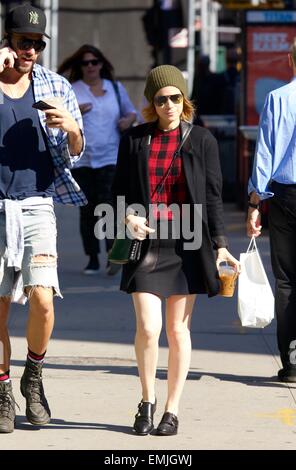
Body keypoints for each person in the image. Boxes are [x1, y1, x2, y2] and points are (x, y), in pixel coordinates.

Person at [112, 65, 240, 435]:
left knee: (177, 330)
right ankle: (147, 400)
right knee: (149, 329)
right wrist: (127, 218)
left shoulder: (202, 140)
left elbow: (213, 198)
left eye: (175, 97)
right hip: (147, 243)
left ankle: (172, 409)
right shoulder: (135, 140)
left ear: (184, 101)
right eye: (160, 99)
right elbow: (118, 190)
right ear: (152, 103)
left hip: (187, 246)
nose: (168, 104)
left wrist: (221, 246)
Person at [0, 3, 85, 433]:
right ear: (7, 41)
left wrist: (72, 127)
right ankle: (1, 387)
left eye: (37, 43)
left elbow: (76, 149)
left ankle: (32, 376)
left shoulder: (54, 84)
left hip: (37, 204)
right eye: (23, 42)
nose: (31, 49)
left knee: (43, 301)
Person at [58, 45, 137, 275]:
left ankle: (113, 254)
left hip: (111, 156)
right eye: (85, 63)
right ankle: (92, 258)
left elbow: (131, 112)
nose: (90, 66)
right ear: (80, 67)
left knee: (109, 206)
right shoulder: (72, 90)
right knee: (88, 210)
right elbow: (59, 120)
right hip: (82, 158)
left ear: (101, 64)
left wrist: (126, 121)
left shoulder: (114, 87)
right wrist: (76, 114)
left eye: (94, 62)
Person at [247, 39, 296, 383]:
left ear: (292, 60)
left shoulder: (279, 99)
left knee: (287, 279)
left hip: (286, 197)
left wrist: (255, 203)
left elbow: (266, 151)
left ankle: (292, 359)